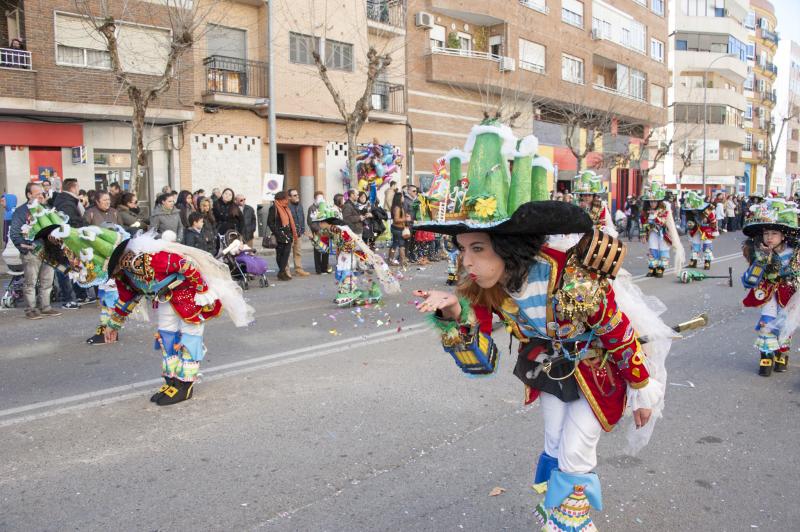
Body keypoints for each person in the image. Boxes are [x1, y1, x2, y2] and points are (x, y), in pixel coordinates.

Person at [412, 118, 670, 531]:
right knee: (553, 443)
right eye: (462, 249)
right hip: (549, 370)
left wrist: (643, 390)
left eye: (477, 248)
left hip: (597, 368)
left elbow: (616, 331)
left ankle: (574, 523)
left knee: (575, 448)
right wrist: (454, 314)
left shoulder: (572, 274)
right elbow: (481, 362)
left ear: (509, 246)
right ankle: (556, 510)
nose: (466, 262)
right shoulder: (483, 287)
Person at [28, 201, 253, 404]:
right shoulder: (123, 273)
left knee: (189, 339)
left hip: (189, 296)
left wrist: (202, 291)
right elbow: (127, 299)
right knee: (166, 337)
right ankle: (171, 380)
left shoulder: (143, 258)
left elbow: (183, 264)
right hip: (165, 299)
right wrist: (112, 326)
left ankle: (186, 383)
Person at [741, 198, 800, 376]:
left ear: (783, 236)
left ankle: (782, 353)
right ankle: (766, 358)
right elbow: (748, 279)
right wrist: (758, 267)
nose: (769, 237)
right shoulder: (759, 253)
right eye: (766, 233)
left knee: (785, 325)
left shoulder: (793, 254)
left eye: (774, 233)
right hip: (767, 294)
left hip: (789, 293)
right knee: (766, 325)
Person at [310, 201, 399, 306]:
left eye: (320, 222)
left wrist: (344, 249)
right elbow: (325, 249)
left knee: (347, 273)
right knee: (342, 274)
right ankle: (349, 292)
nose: (319, 225)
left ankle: (349, 293)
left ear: (327, 221)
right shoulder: (329, 231)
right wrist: (314, 239)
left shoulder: (340, 229)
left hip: (351, 254)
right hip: (344, 255)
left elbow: (350, 245)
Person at [8, 183, 61, 319]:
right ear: (29, 195)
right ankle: (30, 309)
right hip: (32, 252)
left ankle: (46, 307)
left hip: (49, 251)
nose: (40, 196)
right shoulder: (21, 211)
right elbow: (14, 233)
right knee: (30, 282)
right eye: (37, 193)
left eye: (41, 193)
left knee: (47, 281)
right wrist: (24, 246)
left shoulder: (46, 209)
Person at [640, 182, 684, 278]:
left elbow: (662, 222)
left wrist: (655, 215)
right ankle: (653, 268)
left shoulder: (664, 209)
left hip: (663, 233)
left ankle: (661, 268)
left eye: (655, 201)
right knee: (653, 249)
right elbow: (643, 222)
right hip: (652, 233)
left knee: (663, 250)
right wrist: (643, 234)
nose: (652, 204)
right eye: (651, 202)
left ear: (659, 201)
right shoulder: (645, 211)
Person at [573, 171, 616, 237]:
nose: (587, 197)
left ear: (593, 196)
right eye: (584, 195)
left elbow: (602, 223)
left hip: (598, 235)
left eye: (589, 195)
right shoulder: (577, 206)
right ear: (581, 196)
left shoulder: (600, 206)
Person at [683, 191, 719, 270]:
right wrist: (690, 226)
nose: (692, 210)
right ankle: (693, 261)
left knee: (707, 246)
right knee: (695, 246)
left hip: (706, 230)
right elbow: (689, 222)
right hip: (696, 230)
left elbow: (713, 221)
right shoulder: (689, 213)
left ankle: (707, 262)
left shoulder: (707, 210)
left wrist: (713, 230)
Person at [267, 191, 295, 281]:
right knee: (280, 254)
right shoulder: (274, 208)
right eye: (286, 198)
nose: (288, 200)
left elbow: (290, 221)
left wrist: (292, 232)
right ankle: (282, 272)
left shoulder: (286, 208)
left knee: (286, 254)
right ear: (281, 199)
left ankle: (281, 272)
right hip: (279, 234)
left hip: (288, 234)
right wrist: (277, 233)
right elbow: (270, 222)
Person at [306, 191, 330, 274]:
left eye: (322, 197)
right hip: (317, 232)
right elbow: (310, 222)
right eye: (319, 198)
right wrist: (317, 229)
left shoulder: (325, 207)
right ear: (315, 199)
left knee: (326, 250)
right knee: (318, 250)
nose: (321, 199)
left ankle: (325, 268)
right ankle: (318, 269)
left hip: (325, 232)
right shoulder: (312, 208)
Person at [287, 189, 309, 276]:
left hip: (298, 234)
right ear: (289, 197)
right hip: (290, 234)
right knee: (287, 253)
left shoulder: (300, 205)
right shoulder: (287, 206)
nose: (297, 197)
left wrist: (303, 230)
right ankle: (286, 271)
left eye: (297, 195)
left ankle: (298, 269)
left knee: (298, 252)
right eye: (294, 195)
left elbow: (302, 217)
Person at [387, 192, 407, 266]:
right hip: (398, 229)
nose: (403, 198)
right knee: (401, 245)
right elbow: (396, 219)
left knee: (394, 245)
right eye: (402, 197)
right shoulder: (397, 208)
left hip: (397, 228)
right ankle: (403, 261)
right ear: (399, 198)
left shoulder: (398, 207)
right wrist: (405, 219)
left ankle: (390, 260)